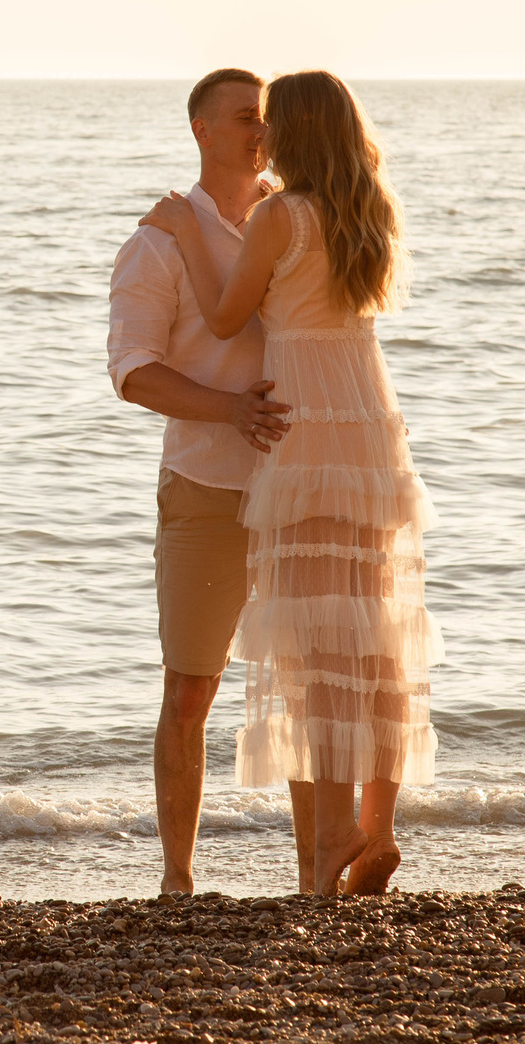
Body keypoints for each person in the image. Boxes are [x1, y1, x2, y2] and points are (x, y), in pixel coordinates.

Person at [139, 69, 438, 896]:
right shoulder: (368, 211)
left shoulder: (279, 216)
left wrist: (182, 227)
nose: (262, 134)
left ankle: (338, 833)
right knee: (369, 630)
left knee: (312, 639)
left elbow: (227, 313)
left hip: (305, 430)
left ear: (297, 132)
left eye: (272, 121)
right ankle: (376, 827)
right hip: (370, 427)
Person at [107, 66, 295, 899]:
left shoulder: (297, 217)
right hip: (205, 487)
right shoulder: (157, 241)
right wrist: (227, 409)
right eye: (245, 117)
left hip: (306, 480)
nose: (261, 130)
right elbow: (133, 372)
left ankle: (316, 874)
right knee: (191, 687)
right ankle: (178, 878)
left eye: (268, 117)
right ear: (203, 131)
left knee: (308, 684)